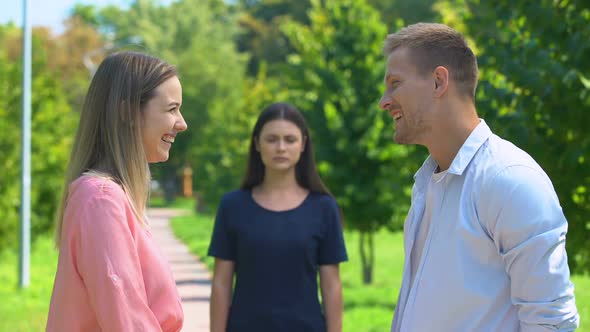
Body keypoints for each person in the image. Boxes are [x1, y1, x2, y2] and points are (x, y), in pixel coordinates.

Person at [378, 23, 579, 331]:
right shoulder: (426, 183)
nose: (384, 100)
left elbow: (552, 322)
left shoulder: (509, 180)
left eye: (395, 83)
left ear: (438, 82)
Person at [47, 51, 187, 331]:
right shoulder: (100, 198)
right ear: (127, 112)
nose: (182, 123)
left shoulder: (110, 197)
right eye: (172, 109)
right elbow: (127, 321)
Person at [208, 102, 348, 332]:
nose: (281, 147)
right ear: (256, 144)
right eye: (271, 139)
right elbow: (221, 283)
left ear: (303, 144)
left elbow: (331, 285)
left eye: (290, 139)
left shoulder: (323, 208)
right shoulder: (232, 206)